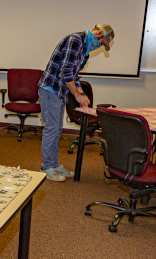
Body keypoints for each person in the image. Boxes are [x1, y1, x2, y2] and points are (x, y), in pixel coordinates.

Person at [38, 24, 115, 182]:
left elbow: (74, 76)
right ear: (99, 33)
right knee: (52, 129)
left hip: (59, 91)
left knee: (57, 129)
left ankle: (54, 164)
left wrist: (81, 94)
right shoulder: (76, 40)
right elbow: (66, 72)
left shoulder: (84, 51)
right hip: (51, 89)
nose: (100, 47)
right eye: (102, 43)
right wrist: (77, 96)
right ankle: (46, 167)